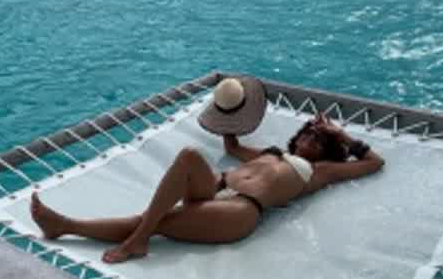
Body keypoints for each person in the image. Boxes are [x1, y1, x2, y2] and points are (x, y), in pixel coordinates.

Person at [30, 111, 385, 264]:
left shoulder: (321, 171)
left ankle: (72, 227)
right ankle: (128, 236)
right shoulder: (272, 153)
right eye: (308, 131)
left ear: (327, 150)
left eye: (319, 138)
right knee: (189, 155)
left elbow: (374, 163)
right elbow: (232, 146)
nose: (310, 137)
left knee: (155, 221)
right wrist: (230, 112)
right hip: (215, 191)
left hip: (241, 211)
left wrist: (340, 134)